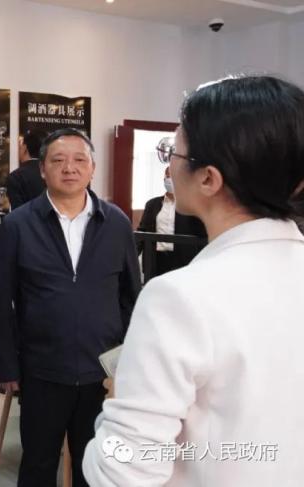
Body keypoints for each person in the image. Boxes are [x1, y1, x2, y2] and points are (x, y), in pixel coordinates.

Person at [83, 75, 304, 486]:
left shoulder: (179, 297)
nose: (169, 165)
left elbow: (122, 472)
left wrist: (116, 407)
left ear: (208, 179)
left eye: (173, 152)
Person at [0, 127, 141, 487]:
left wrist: (129, 362)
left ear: (92, 168)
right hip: (41, 370)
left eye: (79, 160)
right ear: (42, 169)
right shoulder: (18, 224)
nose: (69, 168)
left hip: (101, 372)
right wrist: (7, 365)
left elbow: (131, 297)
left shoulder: (116, 223)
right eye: (58, 160)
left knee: (95, 465)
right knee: (38, 463)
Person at [137, 165, 207, 279]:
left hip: (182, 261)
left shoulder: (190, 205)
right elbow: (142, 232)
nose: (170, 179)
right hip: (155, 259)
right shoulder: (152, 204)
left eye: (174, 176)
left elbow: (201, 234)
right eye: (168, 176)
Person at [6, 129, 46, 209]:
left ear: (25, 147)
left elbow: (17, 211)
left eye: (21, 145)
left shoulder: (16, 176)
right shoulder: (53, 172)